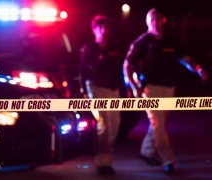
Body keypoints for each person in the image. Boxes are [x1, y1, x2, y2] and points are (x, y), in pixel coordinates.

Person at [123, 8, 209, 175]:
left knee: (159, 124)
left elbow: (185, 59)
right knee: (157, 124)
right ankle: (168, 160)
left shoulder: (171, 41)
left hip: (169, 88)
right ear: (148, 22)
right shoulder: (142, 42)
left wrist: (199, 69)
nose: (156, 22)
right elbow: (128, 65)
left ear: (163, 21)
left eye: (159, 19)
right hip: (150, 89)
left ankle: (146, 152)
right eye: (152, 19)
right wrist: (134, 86)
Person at [80, 15, 124, 176]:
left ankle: (106, 156)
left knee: (114, 125)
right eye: (101, 28)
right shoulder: (89, 49)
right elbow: (83, 71)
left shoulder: (115, 47)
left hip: (113, 90)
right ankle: (102, 162)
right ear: (94, 30)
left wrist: (123, 89)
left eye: (106, 27)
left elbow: (120, 70)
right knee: (103, 125)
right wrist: (84, 92)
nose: (104, 31)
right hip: (96, 88)